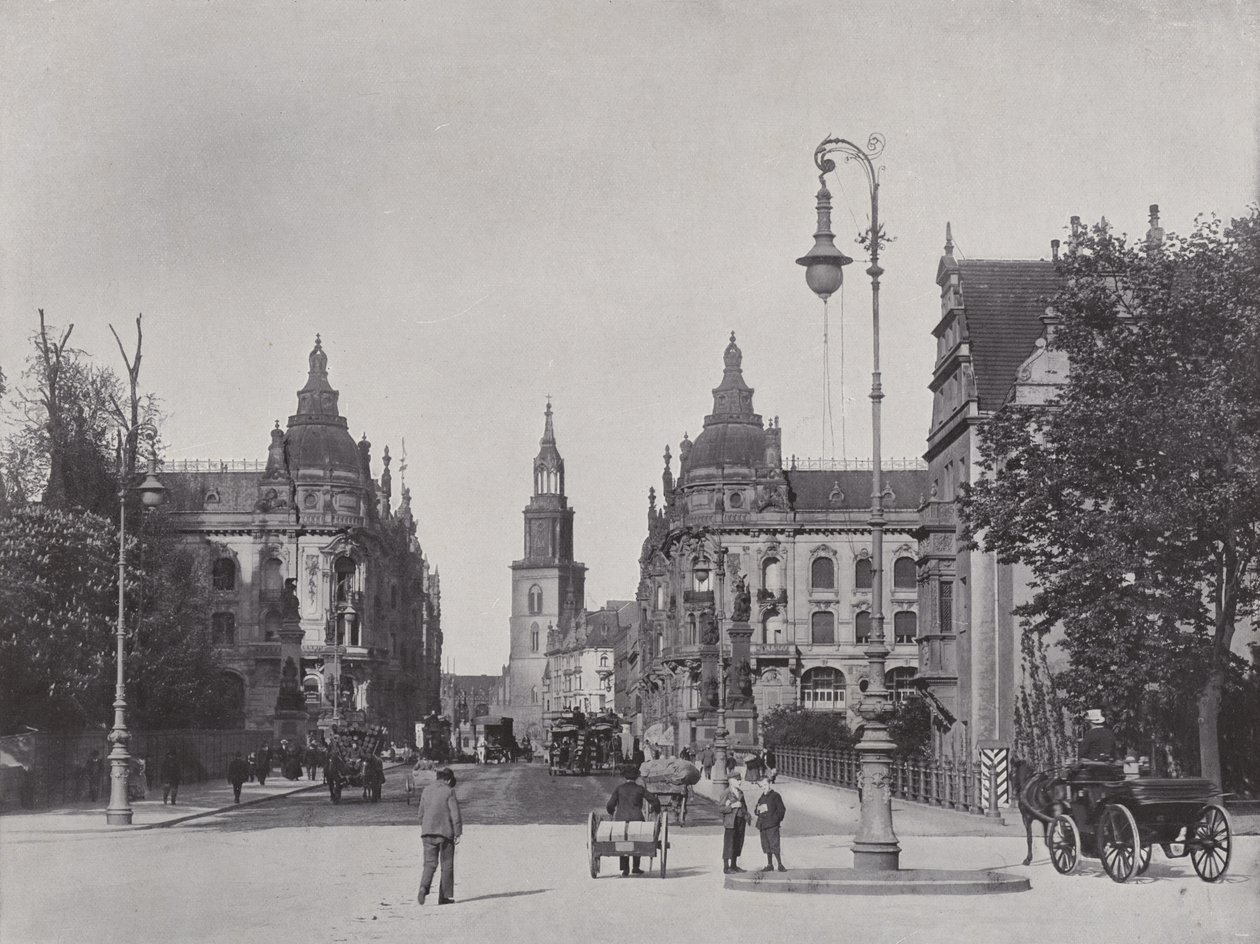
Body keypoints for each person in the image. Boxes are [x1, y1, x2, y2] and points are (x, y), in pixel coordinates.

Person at [417, 767, 462, 906]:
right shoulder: (449, 791)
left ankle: (423, 887)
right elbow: (455, 814)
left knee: (429, 864)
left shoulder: (426, 790)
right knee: (446, 864)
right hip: (445, 833)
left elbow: (420, 814)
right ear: (448, 780)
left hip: (427, 833)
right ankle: (444, 897)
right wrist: (457, 831)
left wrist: (426, 827)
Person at [605, 764, 661, 876]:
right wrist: (657, 811)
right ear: (636, 777)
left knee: (621, 838)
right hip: (637, 818)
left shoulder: (619, 789)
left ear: (624, 777)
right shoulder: (640, 789)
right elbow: (654, 801)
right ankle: (636, 867)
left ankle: (625, 869)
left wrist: (611, 812)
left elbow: (610, 805)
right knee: (637, 838)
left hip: (621, 818)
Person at [752, 774, 787, 872]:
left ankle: (780, 864)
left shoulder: (775, 796)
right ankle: (769, 864)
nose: (764, 787)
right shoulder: (762, 796)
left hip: (772, 824)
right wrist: (758, 810)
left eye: (765, 785)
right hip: (763, 825)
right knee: (766, 844)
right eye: (761, 786)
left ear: (769, 783)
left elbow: (782, 810)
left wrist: (776, 820)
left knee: (774, 844)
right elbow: (756, 809)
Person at [720, 771, 749, 874]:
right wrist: (732, 806)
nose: (740, 782)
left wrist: (747, 816)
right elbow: (721, 808)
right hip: (730, 822)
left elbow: (744, 806)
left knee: (738, 842)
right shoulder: (726, 793)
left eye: (740, 780)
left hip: (740, 820)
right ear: (731, 781)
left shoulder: (740, 792)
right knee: (729, 843)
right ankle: (726, 867)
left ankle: (734, 865)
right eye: (738, 780)